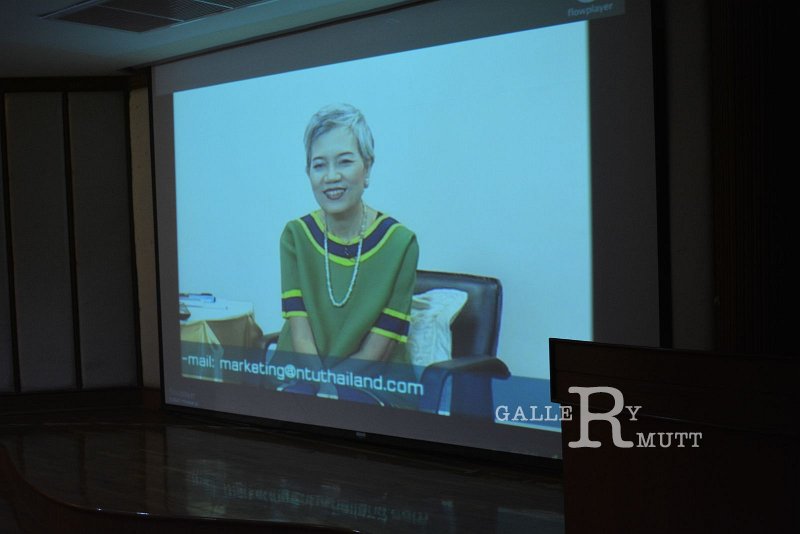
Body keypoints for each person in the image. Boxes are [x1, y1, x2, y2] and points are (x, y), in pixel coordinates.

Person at [274, 104, 419, 407]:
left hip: (372, 382)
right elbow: (301, 336)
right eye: (319, 165)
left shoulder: (401, 243)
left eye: (344, 162)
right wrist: (323, 385)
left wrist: (332, 389)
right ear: (308, 173)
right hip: (303, 374)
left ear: (367, 167)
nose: (331, 176)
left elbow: (377, 350)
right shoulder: (295, 235)